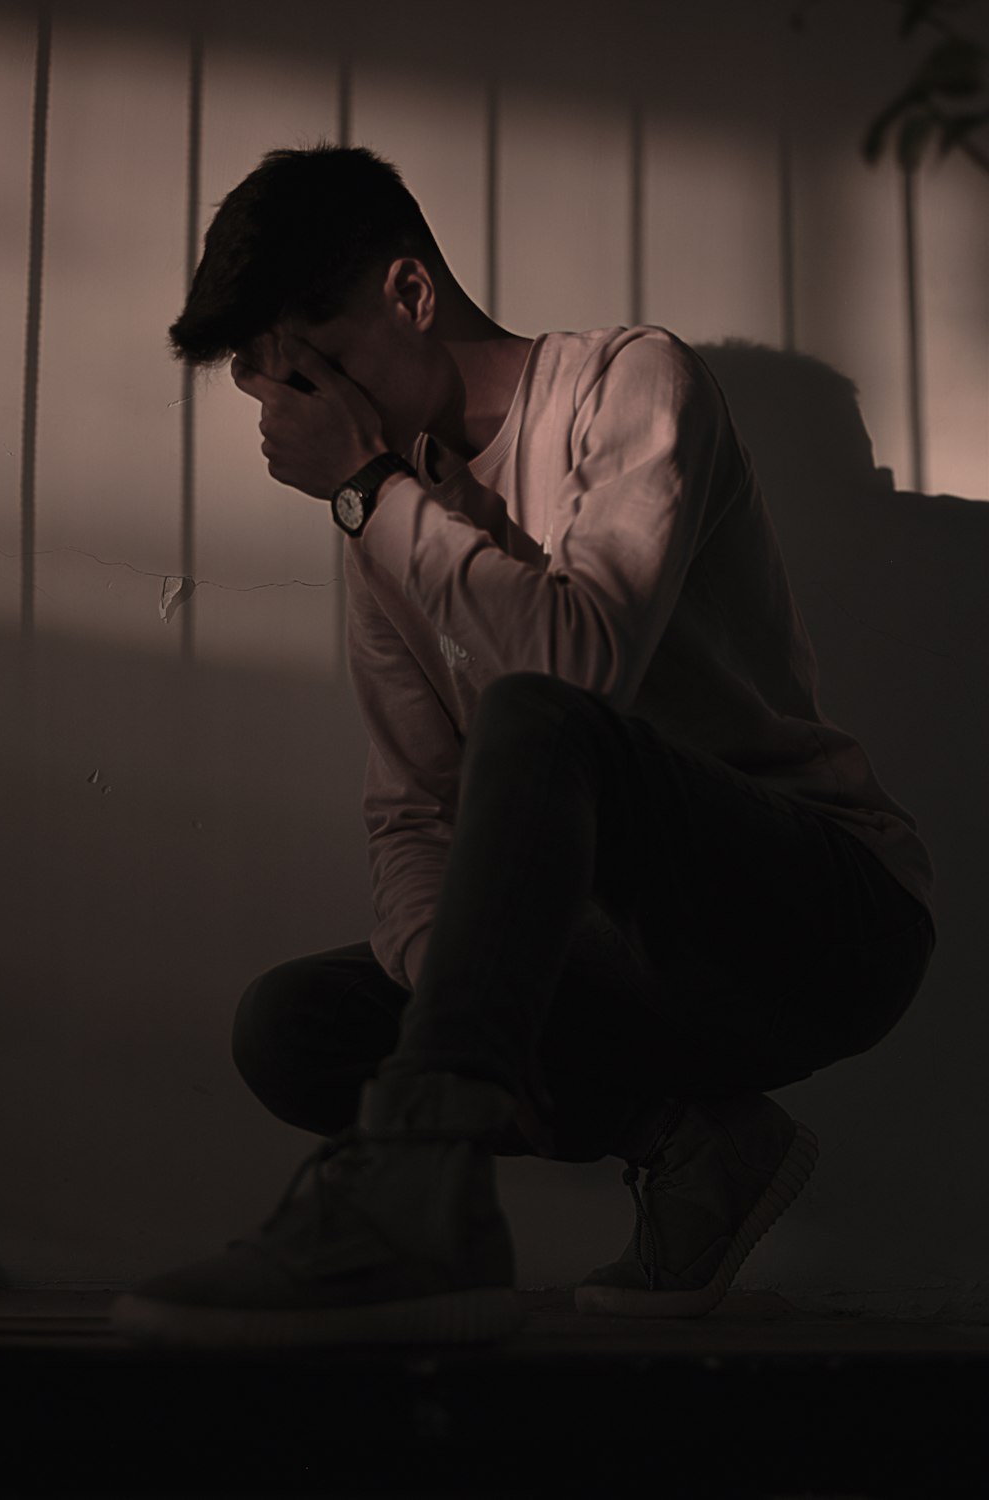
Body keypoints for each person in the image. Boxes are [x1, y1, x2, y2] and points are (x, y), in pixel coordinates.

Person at [110, 143, 936, 1350]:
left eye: (328, 366)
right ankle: (699, 1145)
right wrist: (470, 979)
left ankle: (414, 1208)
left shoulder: (630, 386)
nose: (325, 417)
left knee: (540, 718)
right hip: (619, 965)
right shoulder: (383, 522)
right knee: (293, 1026)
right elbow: (410, 813)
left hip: (816, 914)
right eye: (290, 391)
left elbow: (575, 665)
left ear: (409, 292)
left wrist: (367, 494)